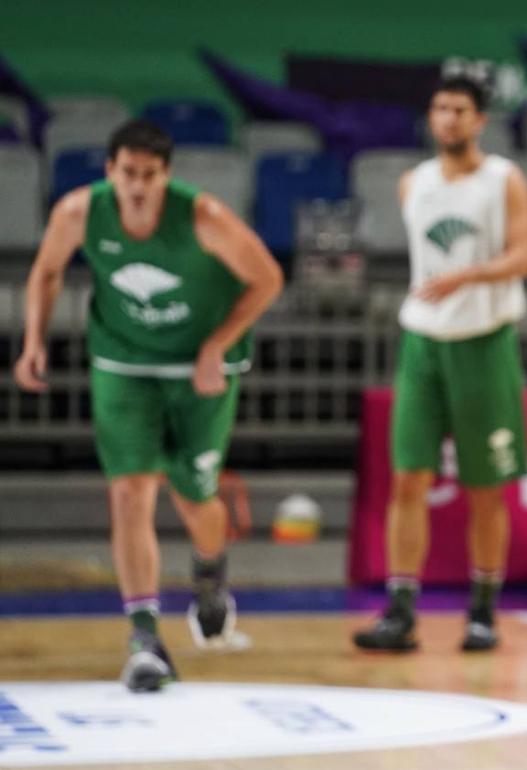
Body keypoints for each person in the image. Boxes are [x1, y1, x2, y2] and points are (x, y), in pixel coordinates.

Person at [14, 119, 284, 692]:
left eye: (149, 176)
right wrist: (34, 339)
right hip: (125, 361)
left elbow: (267, 279)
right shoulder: (79, 213)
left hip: (201, 368)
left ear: (167, 176)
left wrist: (216, 344)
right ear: (110, 171)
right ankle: (144, 636)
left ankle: (210, 574)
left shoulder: (205, 218)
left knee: (194, 497)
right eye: (127, 173)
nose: (137, 186)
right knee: (130, 492)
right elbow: (47, 271)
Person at [352, 76, 527, 654]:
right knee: (408, 477)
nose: (448, 118)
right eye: (439, 108)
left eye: (459, 109)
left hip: (484, 340)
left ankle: (483, 612)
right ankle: (401, 610)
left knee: (485, 488)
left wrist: (468, 275)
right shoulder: (414, 183)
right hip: (422, 342)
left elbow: (524, 255)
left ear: (479, 119)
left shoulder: (504, 178)